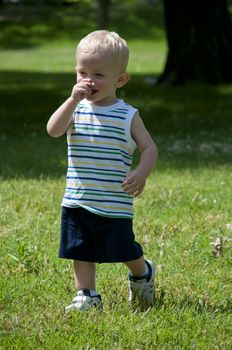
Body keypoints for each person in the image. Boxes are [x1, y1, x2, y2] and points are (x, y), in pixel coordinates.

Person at [47, 30, 158, 312]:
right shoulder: (75, 109)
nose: (89, 80)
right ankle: (87, 294)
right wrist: (71, 100)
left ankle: (142, 272)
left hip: (113, 201)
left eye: (98, 74)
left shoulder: (127, 115)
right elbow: (53, 130)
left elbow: (149, 148)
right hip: (77, 197)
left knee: (123, 249)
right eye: (83, 72)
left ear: (121, 80)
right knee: (80, 249)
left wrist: (141, 173)